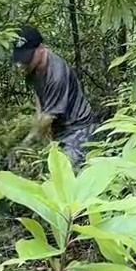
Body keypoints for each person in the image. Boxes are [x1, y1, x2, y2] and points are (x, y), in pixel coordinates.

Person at [12, 25, 97, 167]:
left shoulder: (57, 74)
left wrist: (26, 144)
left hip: (78, 129)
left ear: (41, 49)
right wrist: (39, 120)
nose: (23, 65)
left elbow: (48, 118)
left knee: (67, 172)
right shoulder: (32, 68)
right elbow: (39, 96)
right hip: (59, 128)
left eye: (28, 58)